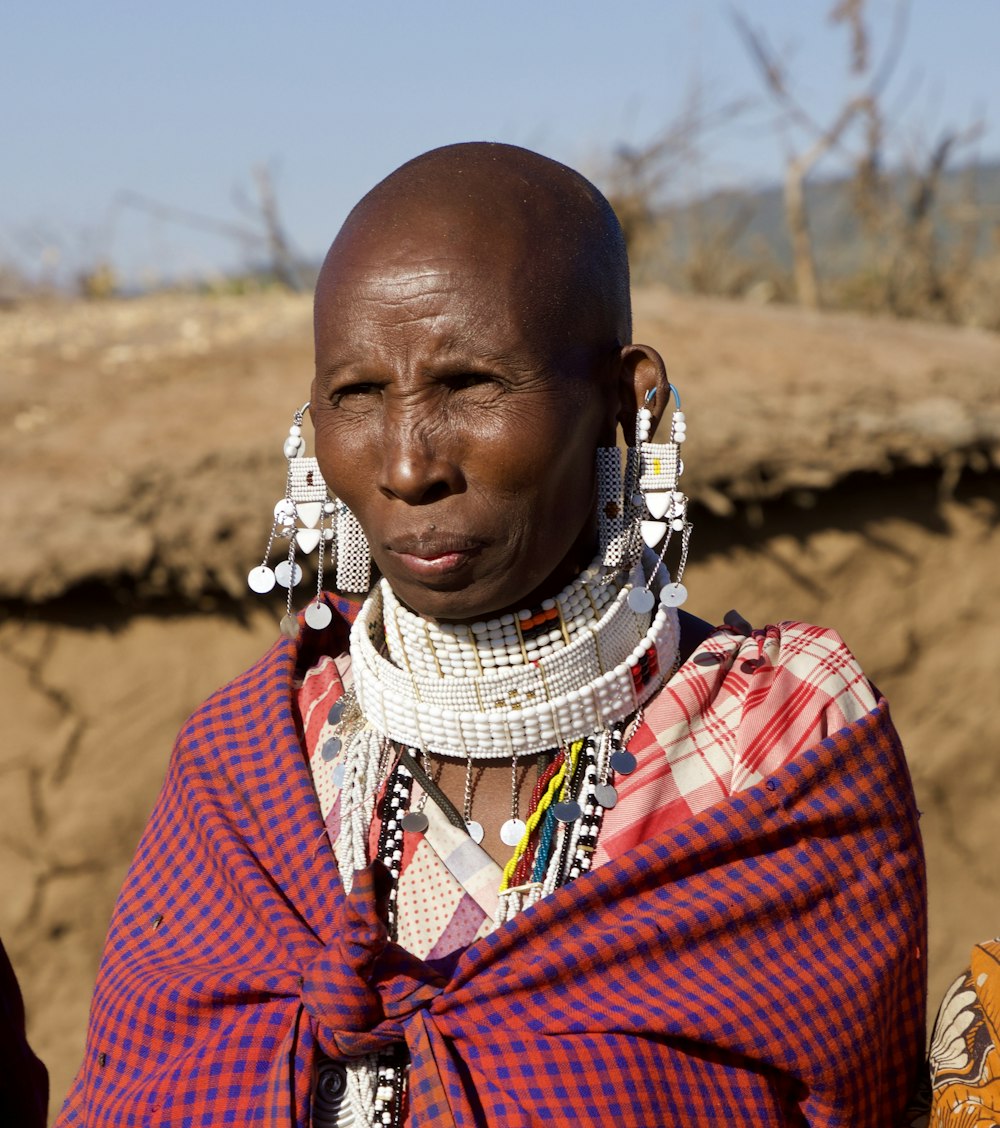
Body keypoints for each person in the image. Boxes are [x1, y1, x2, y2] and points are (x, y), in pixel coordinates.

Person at [57, 143, 926, 1127]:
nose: (405, 462)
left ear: (623, 402)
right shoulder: (249, 772)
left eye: (469, 386)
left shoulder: (776, 749)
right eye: (356, 395)